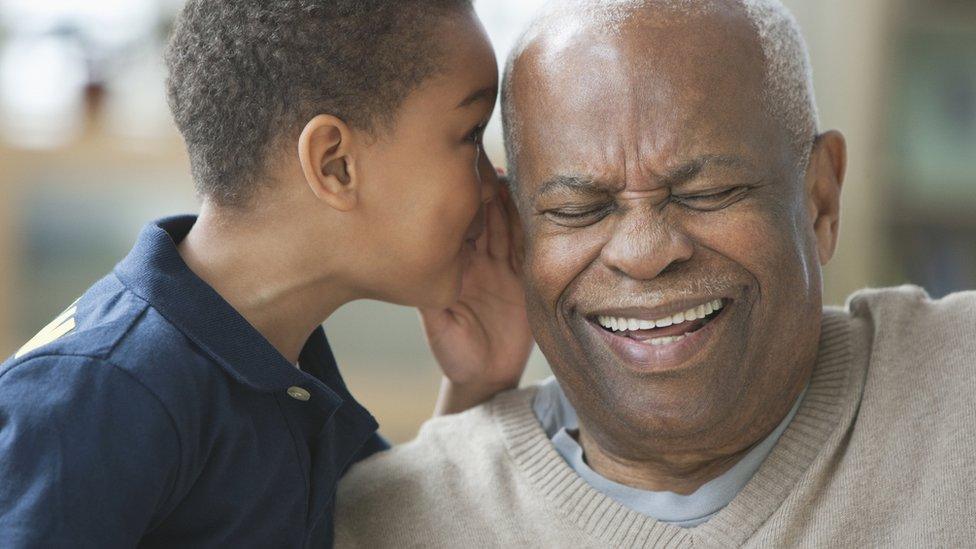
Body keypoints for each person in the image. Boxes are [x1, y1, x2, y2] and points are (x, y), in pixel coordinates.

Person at [335, 0, 976, 546]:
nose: (644, 252)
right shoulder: (383, 520)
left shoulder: (958, 387)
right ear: (512, 229)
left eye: (709, 193)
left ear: (820, 200)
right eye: (578, 209)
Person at [0, 1, 533, 546]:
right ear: (335, 164)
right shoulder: (101, 392)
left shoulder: (286, 373)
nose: (495, 182)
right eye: (470, 135)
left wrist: (477, 386)